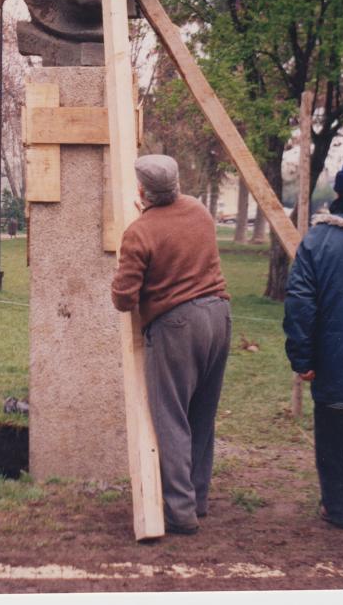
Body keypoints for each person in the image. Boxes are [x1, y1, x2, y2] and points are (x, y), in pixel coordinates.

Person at [111, 154, 231, 535]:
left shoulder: (139, 232)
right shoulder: (198, 211)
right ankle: (197, 498)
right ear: (177, 183)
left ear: (142, 190)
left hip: (177, 326)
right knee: (201, 416)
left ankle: (180, 513)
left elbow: (123, 298)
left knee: (171, 417)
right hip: (219, 315)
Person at [283, 155, 343, 529]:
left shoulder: (318, 241)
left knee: (334, 433)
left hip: (337, 360)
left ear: (339, 194)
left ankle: (340, 506)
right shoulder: (319, 241)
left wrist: (302, 358)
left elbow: (300, 305)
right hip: (340, 355)